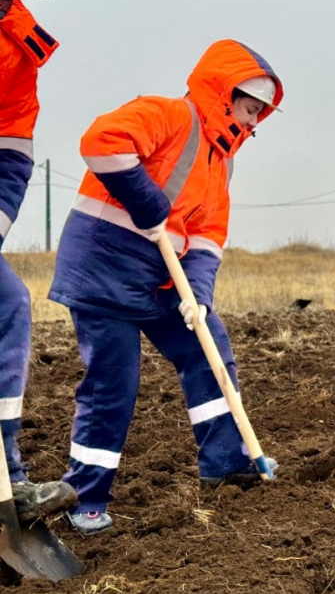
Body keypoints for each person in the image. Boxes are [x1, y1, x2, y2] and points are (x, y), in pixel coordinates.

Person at [47, 39, 283, 535]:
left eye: (262, 113)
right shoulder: (170, 115)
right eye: (250, 107)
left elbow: (208, 236)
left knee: (207, 344)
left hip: (159, 278)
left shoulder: (223, 162)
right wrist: (148, 204)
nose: (255, 121)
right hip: (103, 269)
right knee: (114, 383)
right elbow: (101, 141)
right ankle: (87, 498)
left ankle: (225, 464)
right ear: (224, 93)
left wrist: (197, 294)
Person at [0, 0, 78, 522]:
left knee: (8, 305)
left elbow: (12, 155)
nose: (5, 0)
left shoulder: (16, 50)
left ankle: (6, 477)